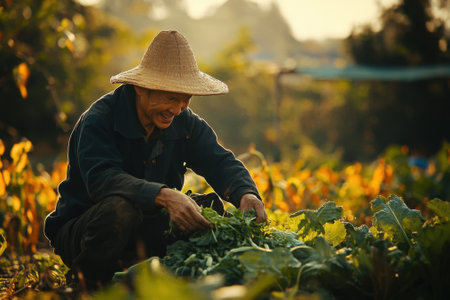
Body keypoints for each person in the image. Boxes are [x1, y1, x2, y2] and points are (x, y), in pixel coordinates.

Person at [43, 30, 267, 289]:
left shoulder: (184, 122)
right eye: (171, 97)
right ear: (141, 88)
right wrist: (165, 195)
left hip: (145, 225)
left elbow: (219, 161)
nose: (178, 108)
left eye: (186, 99)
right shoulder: (100, 120)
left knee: (208, 211)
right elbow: (102, 180)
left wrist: (246, 194)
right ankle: (87, 281)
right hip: (87, 230)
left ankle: (131, 268)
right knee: (120, 209)